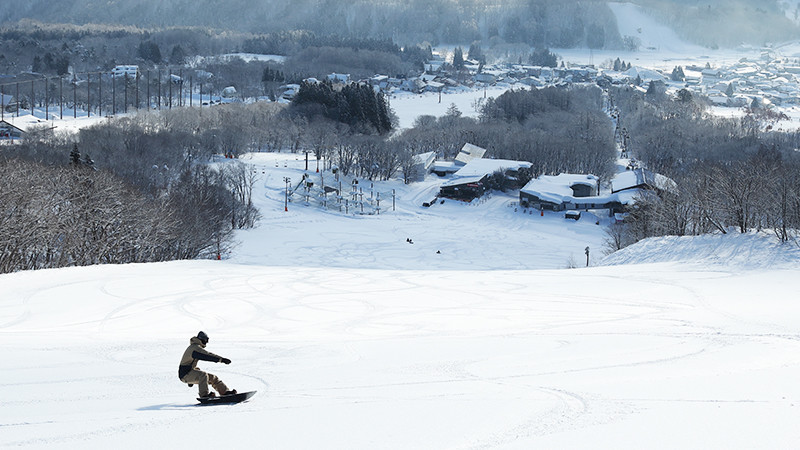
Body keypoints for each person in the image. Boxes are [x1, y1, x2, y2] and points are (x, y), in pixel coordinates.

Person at [178, 331, 236, 398]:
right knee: (203, 375)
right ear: (202, 339)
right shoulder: (195, 348)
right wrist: (221, 359)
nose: (206, 343)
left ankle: (225, 392)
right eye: (206, 340)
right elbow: (207, 355)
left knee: (213, 378)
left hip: (189, 372)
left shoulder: (195, 347)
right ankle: (204, 395)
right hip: (185, 374)